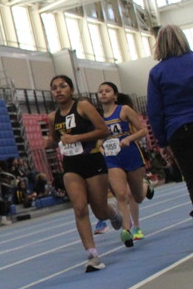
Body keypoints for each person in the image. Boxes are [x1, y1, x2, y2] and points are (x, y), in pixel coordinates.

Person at [46, 74, 123, 272]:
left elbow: (103, 130)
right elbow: (54, 140)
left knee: (99, 211)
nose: (58, 90)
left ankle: (112, 212)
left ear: (71, 89)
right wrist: (50, 142)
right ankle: (92, 255)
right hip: (71, 166)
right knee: (79, 208)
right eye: (54, 88)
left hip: (92, 161)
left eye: (63, 86)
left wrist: (77, 138)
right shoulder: (53, 117)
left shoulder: (83, 107)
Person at [146, 24, 193, 217]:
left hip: (178, 130)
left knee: (190, 175)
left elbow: (155, 111)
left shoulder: (157, 72)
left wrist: (162, 142)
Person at [98, 81, 152, 245]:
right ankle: (126, 230)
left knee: (138, 197)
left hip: (131, 155)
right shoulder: (98, 118)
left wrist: (129, 138)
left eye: (107, 91)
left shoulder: (124, 110)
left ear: (115, 95)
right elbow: (99, 140)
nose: (103, 93)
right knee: (121, 195)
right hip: (112, 159)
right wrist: (101, 149)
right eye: (100, 91)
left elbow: (143, 130)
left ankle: (146, 185)